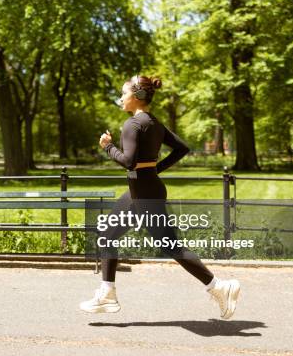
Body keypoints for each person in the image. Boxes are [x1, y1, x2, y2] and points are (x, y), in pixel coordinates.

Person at [79, 75, 240, 319]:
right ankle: (107, 293)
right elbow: (182, 148)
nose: (120, 98)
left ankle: (219, 287)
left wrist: (108, 147)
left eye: (124, 94)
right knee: (107, 234)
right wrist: (154, 169)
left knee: (170, 245)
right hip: (143, 189)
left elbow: (128, 161)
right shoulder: (153, 122)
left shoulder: (132, 124)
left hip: (143, 193)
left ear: (137, 96)